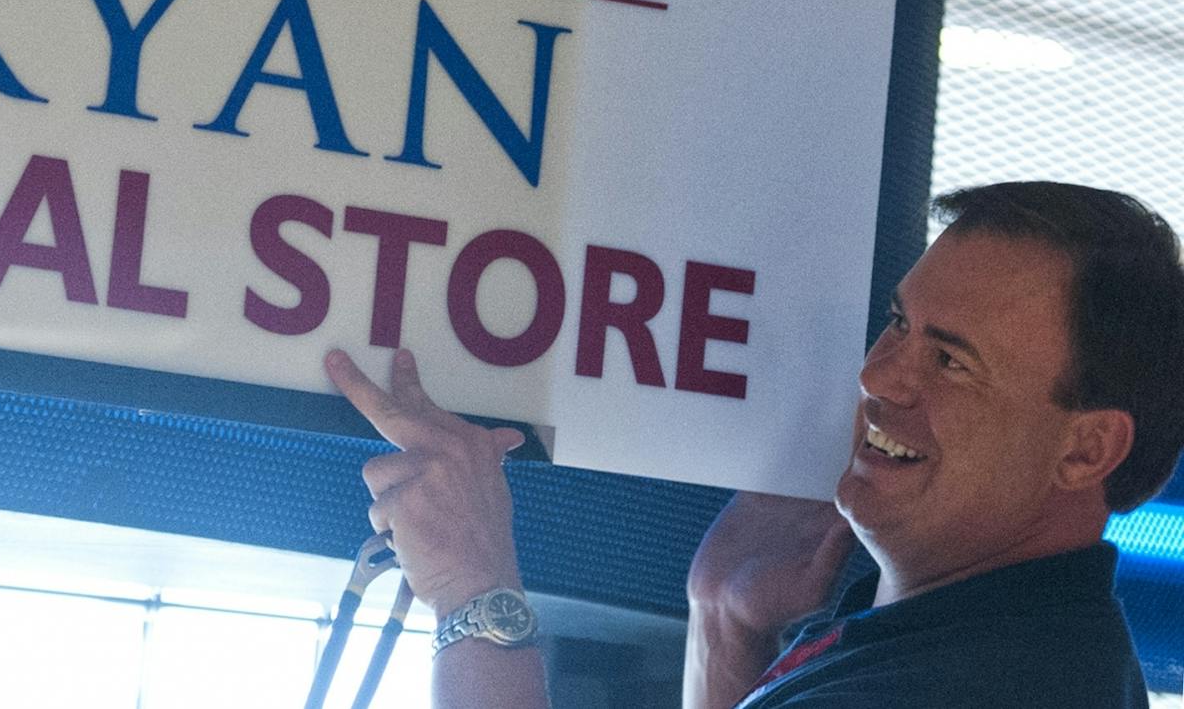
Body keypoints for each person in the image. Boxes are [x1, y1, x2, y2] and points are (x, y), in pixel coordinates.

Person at [327, 181, 1184, 708]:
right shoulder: (988, 647)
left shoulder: (993, 689)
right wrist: (729, 635)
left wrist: (477, 598)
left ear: (1086, 450)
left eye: (951, 360)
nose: (882, 376)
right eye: (897, 323)